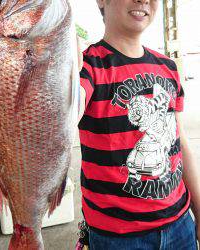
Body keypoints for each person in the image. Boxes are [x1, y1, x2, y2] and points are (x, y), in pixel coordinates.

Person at [77, 0, 200, 249]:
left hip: (180, 226)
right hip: (117, 237)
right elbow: (66, 108)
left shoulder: (168, 67)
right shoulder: (87, 66)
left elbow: (181, 144)